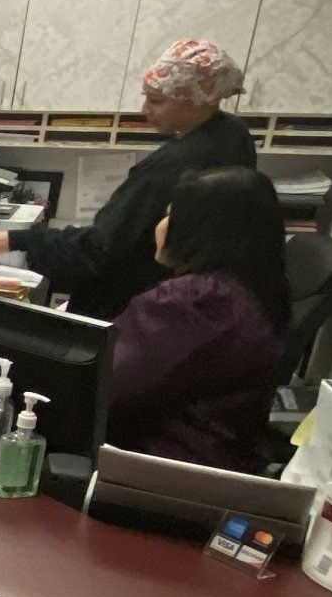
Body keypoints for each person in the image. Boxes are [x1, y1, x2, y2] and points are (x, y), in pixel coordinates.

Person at [0, 35, 256, 319]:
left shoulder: (170, 167)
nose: (144, 110)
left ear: (194, 100)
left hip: (132, 312)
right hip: (191, 305)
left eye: (156, 101)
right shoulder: (233, 134)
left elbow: (98, 251)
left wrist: (18, 239)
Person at [105, 167, 289, 470]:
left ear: (200, 230)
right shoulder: (254, 285)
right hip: (215, 458)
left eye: (171, 216)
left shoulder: (197, 301)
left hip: (160, 462)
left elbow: (104, 386)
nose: (161, 225)